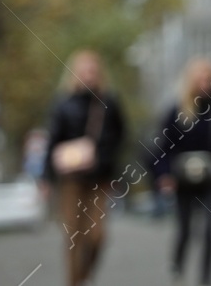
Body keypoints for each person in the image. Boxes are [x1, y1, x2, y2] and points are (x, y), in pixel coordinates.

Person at [43, 49, 126, 286]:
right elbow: (52, 141)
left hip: (99, 178)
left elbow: (121, 137)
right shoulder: (63, 104)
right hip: (70, 179)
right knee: (73, 236)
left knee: (97, 236)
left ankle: (84, 276)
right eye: (84, 70)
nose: (88, 75)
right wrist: (46, 178)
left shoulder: (109, 102)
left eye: (93, 70)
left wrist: (108, 164)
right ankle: (73, 282)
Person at [148, 57, 211, 286]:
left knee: (209, 232)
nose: (206, 83)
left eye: (209, 78)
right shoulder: (177, 110)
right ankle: (178, 267)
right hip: (183, 179)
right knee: (185, 229)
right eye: (201, 78)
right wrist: (163, 174)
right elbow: (163, 147)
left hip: (210, 177)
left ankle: (206, 280)